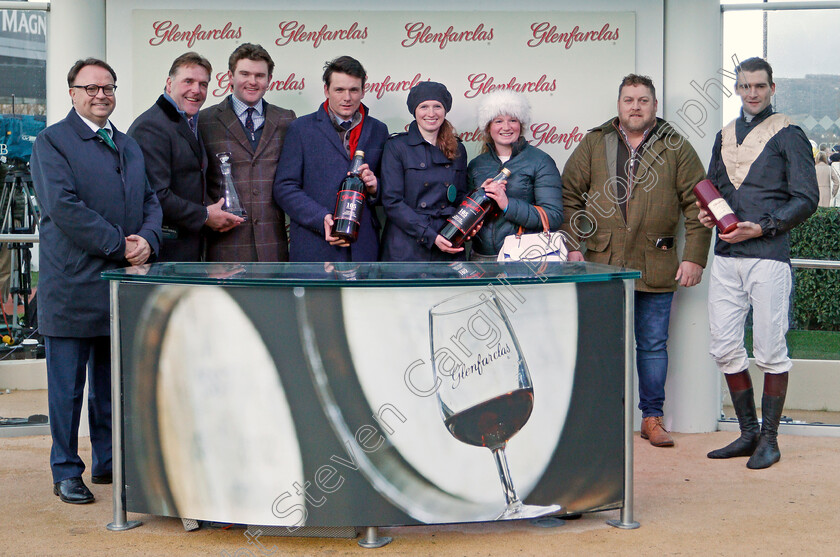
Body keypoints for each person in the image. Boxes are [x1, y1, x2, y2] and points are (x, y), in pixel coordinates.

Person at [30, 58, 162, 503]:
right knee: (67, 392)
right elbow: (64, 208)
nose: (100, 95)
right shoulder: (52, 143)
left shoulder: (127, 145)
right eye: (90, 88)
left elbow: (150, 200)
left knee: (111, 388)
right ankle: (66, 470)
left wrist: (147, 238)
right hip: (71, 287)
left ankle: (110, 463)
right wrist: (120, 245)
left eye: (107, 88)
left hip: (118, 287)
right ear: (72, 93)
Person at [561, 74, 711, 447]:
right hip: (601, 263)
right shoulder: (595, 143)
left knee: (653, 345)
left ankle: (652, 418)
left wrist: (694, 258)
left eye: (643, 100)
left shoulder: (676, 146)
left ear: (655, 106)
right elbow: (569, 195)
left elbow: (699, 204)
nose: (635, 106)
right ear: (619, 105)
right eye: (629, 99)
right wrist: (574, 244)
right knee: (602, 345)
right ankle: (604, 417)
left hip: (656, 262)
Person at [701, 57, 818, 469]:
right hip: (726, 256)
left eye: (760, 86)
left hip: (767, 256)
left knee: (770, 349)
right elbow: (714, 189)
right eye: (745, 86)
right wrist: (707, 213)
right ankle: (747, 433)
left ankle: (770, 439)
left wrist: (764, 227)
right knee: (724, 346)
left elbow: (807, 199)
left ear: (772, 88)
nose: (752, 93)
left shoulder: (789, 134)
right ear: (736, 88)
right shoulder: (724, 134)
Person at [273, 55, 388, 262]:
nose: (347, 97)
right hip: (315, 245)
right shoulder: (301, 129)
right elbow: (284, 187)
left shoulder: (378, 130)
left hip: (363, 249)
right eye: (339, 90)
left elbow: (388, 189)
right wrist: (321, 218)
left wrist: (374, 188)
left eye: (354, 90)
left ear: (363, 90)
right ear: (326, 90)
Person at [129, 51, 242, 262]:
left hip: (189, 248)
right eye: (188, 81)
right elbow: (156, 195)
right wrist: (206, 215)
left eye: (203, 84)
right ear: (169, 84)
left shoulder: (188, 122)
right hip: (166, 254)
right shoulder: (151, 126)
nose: (196, 90)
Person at [198, 43, 296, 262]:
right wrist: (206, 213)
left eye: (260, 75)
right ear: (230, 77)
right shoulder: (204, 121)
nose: (253, 81)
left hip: (274, 246)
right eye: (245, 74)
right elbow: (194, 180)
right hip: (224, 245)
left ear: (269, 80)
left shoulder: (287, 120)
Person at [467, 90, 563, 261]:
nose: (506, 127)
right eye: (498, 121)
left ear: (521, 124)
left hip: (524, 258)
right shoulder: (476, 165)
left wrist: (507, 204)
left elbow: (553, 216)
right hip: (481, 260)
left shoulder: (541, 161)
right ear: (488, 127)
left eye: (513, 120)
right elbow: (466, 212)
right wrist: (477, 201)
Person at [379, 81, 468, 261]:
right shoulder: (396, 146)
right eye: (424, 107)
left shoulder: (458, 148)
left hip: (448, 240)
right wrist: (430, 235)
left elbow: (460, 197)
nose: (431, 113)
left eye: (437, 106)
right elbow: (392, 202)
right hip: (406, 246)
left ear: (445, 110)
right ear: (415, 111)